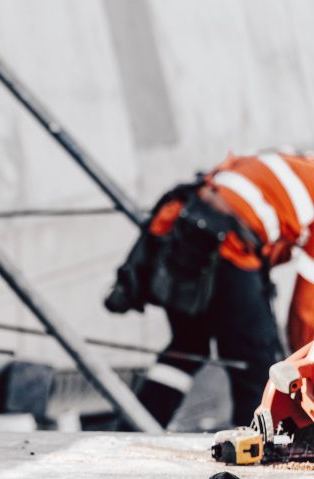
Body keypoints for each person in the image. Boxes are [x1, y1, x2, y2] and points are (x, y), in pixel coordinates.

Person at [106, 150, 314, 428]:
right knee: (257, 363)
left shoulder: (294, 165)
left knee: (188, 344)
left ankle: (132, 429)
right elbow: (306, 310)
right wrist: (305, 368)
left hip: (184, 225)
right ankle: (258, 453)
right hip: (226, 245)